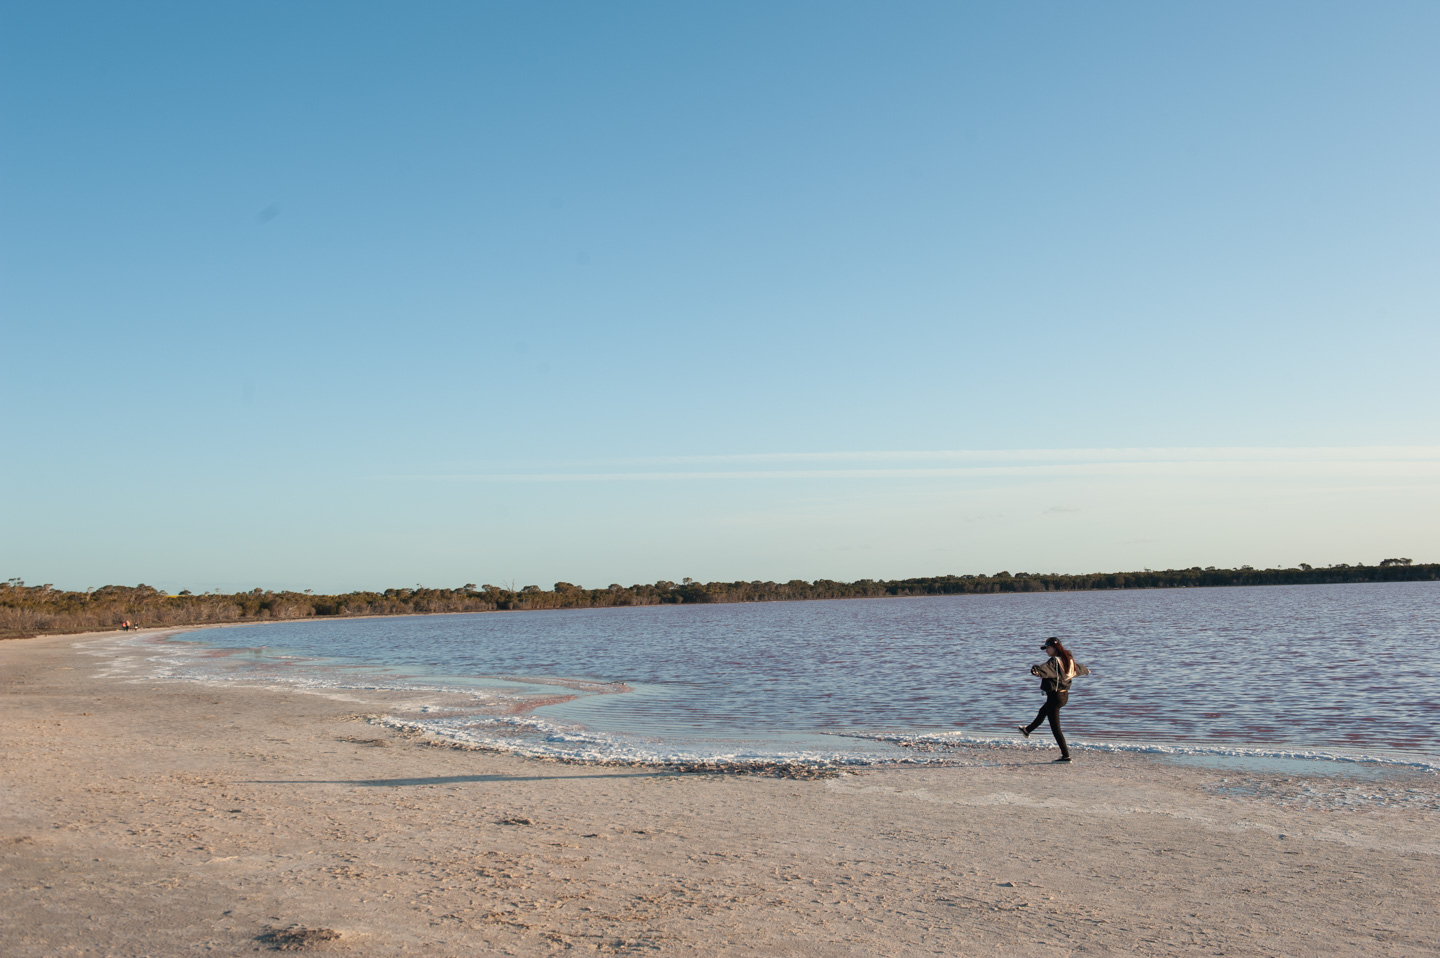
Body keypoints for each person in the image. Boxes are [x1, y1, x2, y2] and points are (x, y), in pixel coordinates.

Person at [1018, 637, 1088, 762]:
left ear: (1054, 648)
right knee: (1043, 711)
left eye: (1047, 648)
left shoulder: (1055, 661)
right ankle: (1027, 730)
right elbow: (1078, 669)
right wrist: (1085, 670)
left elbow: (1047, 669)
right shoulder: (1068, 660)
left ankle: (1066, 756)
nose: (1046, 651)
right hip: (1064, 696)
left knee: (1056, 728)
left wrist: (1036, 671)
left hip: (1055, 697)